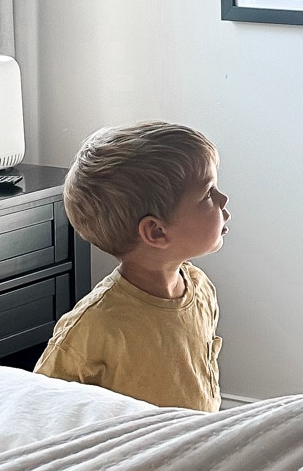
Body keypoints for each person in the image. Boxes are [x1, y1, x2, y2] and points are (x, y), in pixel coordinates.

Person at [34, 123, 227, 411]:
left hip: (193, 441)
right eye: (208, 194)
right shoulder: (95, 325)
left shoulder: (199, 288)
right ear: (156, 232)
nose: (222, 199)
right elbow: (40, 405)